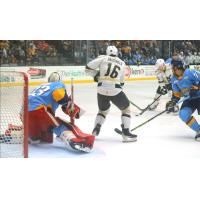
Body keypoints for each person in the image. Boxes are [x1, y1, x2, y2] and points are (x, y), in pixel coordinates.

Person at [27, 72, 95, 152]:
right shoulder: (58, 84)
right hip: (39, 111)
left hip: (24, 113)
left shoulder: (40, 86)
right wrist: (69, 102)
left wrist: (68, 104)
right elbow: (61, 98)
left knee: (40, 134)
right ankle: (72, 140)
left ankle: (19, 134)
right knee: (57, 124)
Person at [85, 46, 137, 142]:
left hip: (101, 89)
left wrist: (97, 75)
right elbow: (121, 82)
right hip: (115, 90)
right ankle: (126, 132)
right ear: (117, 53)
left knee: (102, 111)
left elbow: (88, 67)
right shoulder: (122, 62)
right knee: (126, 109)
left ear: (107, 52)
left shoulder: (103, 58)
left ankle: (96, 128)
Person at [165, 59, 200, 141]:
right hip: (189, 100)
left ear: (179, 67)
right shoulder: (174, 79)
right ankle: (198, 130)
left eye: (174, 68)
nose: (172, 70)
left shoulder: (190, 72)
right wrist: (173, 101)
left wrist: (197, 88)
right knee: (183, 114)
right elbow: (176, 94)